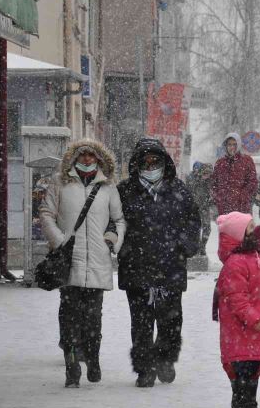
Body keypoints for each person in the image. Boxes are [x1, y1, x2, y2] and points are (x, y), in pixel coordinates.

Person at [39, 139, 126, 388]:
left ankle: (93, 357)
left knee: (93, 317)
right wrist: (59, 240)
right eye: (82, 155)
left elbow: (118, 219)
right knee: (68, 316)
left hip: (98, 261)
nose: (87, 160)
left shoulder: (108, 187)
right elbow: (46, 213)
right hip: (70, 260)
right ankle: (72, 364)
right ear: (74, 157)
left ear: (99, 159)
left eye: (91, 156)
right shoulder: (60, 182)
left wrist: (111, 242)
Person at [117, 138, 201, 387]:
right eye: (146, 161)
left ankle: (165, 360)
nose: (151, 165)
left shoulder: (179, 190)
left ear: (165, 162)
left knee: (170, 321)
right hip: (137, 267)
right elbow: (114, 221)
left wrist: (184, 246)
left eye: (156, 160)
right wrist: (123, 246)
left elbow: (193, 221)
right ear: (137, 163)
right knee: (141, 323)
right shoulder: (125, 191)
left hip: (170, 268)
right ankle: (144, 368)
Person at [214, 211, 260, 408]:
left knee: (254, 364)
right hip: (241, 325)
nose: (257, 231)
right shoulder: (235, 263)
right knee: (242, 363)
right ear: (239, 235)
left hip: (258, 320)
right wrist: (253, 318)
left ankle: (248, 401)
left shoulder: (259, 255)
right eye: (251, 228)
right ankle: (242, 394)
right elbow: (237, 298)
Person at [210, 133, 258, 215]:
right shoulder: (220, 163)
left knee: (242, 228)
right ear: (225, 146)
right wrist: (219, 197)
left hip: (242, 208)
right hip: (224, 209)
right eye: (229, 144)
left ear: (239, 145)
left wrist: (243, 195)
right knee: (226, 228)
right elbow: (214, 184)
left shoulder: (246, 161)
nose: (232, 147)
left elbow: (253, 182)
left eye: (235, 144)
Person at [186, 161, 215, 255]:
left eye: (208, 174)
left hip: (204, 207)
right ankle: (196, 247)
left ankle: (202, 247)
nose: (207, 175)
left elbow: (210, 193)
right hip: (194, 208)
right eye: (205, 173)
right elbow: (190, 191)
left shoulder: (207, 181)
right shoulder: (192, 178)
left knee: (207, 227)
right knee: (196, 228)